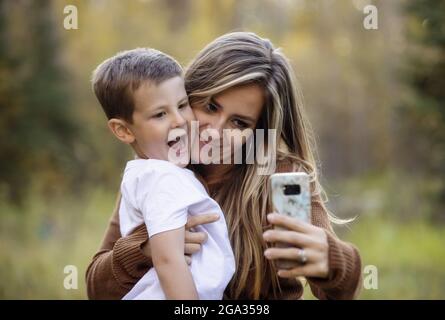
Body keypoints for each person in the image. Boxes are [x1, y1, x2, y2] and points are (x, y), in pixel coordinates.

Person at [86, 32, 362, 300]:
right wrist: (146, 248)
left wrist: (331, 261)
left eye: (239, 123)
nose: (215, 131)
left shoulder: (282, 175)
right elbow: (96, 290)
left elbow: (337, 291)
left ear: (257, 130)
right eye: (210, 106)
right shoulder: (157, 169)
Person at [91, 48, 235, 299]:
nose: (179, 120)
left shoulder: (151, 172)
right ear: (123, 130)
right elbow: (169, 261)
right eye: (160, 114)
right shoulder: (162, 178)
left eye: (182, 105)